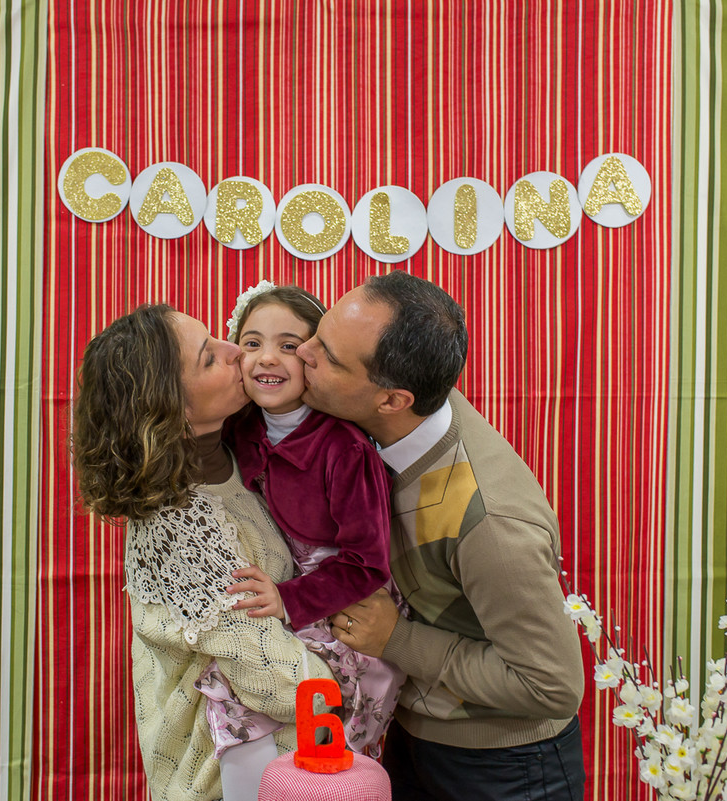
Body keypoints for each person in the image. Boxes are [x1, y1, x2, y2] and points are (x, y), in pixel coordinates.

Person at [295, 271, 587, 801]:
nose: (303, 351)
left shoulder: (490, 521)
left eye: (329, 357)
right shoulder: (385, 419)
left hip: (504, 767)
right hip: (415, 733)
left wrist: (398, 641)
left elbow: (552, 685)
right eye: (319, 332)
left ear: (393, 400)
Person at [72, 304, 335, 801]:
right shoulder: (178, 527)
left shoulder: (245, 451)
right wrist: (365, 665)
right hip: (223, 782)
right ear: (175, 408)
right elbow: (277, 681)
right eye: (210, 357)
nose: (237, 350)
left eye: (219, 338)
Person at [195, 282, 403, 770]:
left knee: (285, 704)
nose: (267, 358)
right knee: (230, 671)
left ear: (315, 359)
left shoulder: (343, 448)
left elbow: (366, 564)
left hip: (341, 606)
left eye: (289, 346)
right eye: (252, 343)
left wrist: (289, 599)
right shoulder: (239, 426)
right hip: (282, 584)